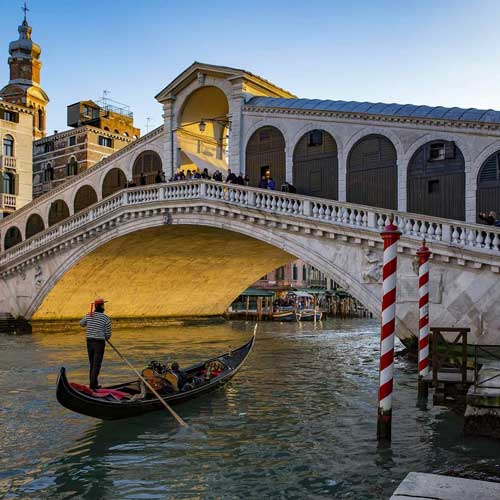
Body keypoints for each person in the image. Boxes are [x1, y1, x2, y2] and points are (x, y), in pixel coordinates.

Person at [80, 298, 112, 390]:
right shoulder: (105, 318)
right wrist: (105, 337)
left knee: (92, 363)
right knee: (96, 364)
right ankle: (93, 385)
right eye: (103, 305)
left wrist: (88, 320)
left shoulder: (89, 315)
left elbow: (81, 324)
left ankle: (93, 384)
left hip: (89, 341)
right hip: (99, 343)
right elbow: (108, 334)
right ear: (102, 306)